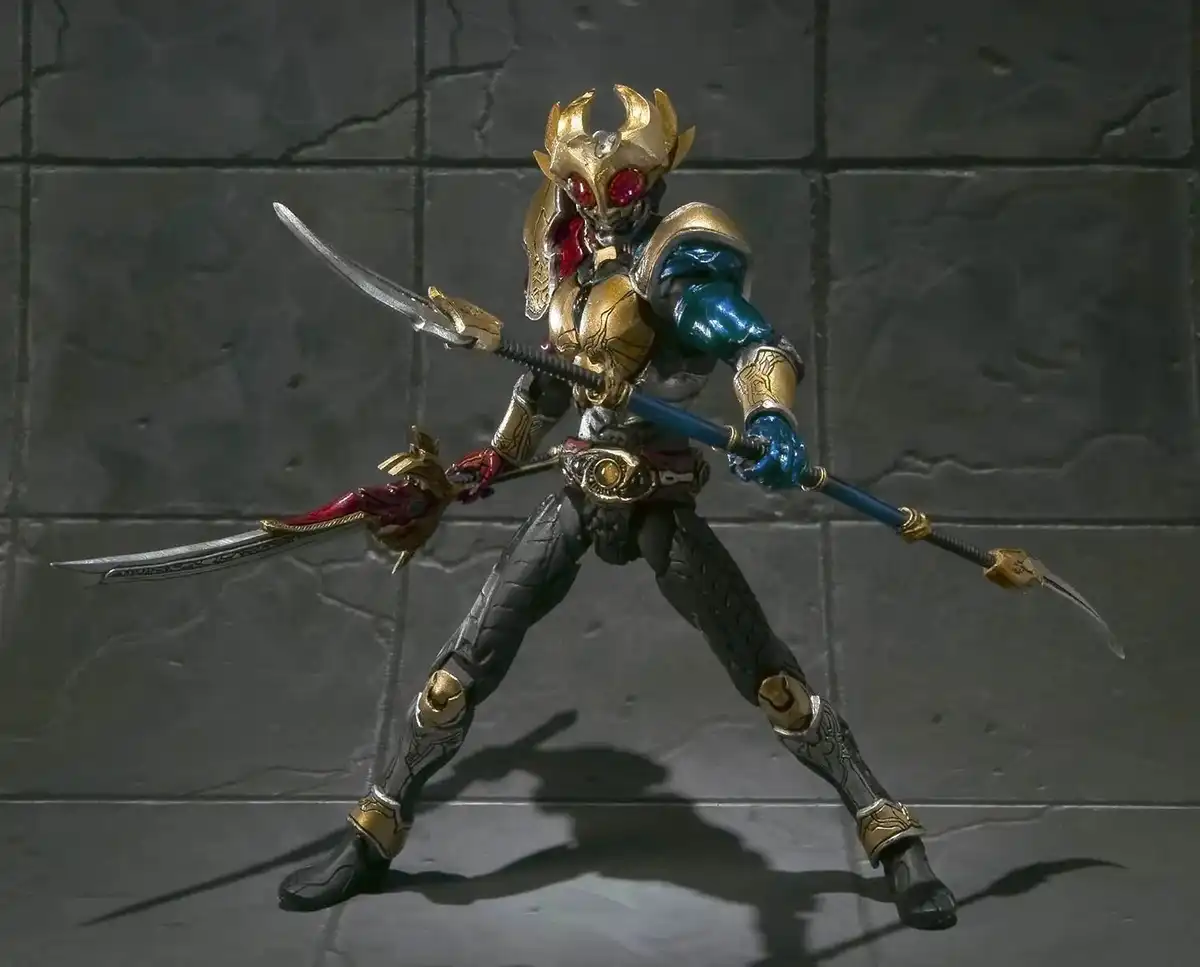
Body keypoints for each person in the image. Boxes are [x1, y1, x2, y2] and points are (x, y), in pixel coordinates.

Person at [278, 85, 957, 931]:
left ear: (656, 181)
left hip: (658, 500)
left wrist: (771, 419)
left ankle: (893, 835)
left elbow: (755, 344)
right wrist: (484, 463)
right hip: (577, 492)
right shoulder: (570, 270)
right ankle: (373, 833)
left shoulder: (675, 265)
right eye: (583, 188)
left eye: (623, 187)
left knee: (776, 685)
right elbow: (544, 387)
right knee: (453, 681)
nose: (601, 206)